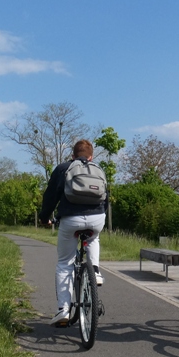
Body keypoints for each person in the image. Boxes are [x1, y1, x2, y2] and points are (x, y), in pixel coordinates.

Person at [39, 139, 107, 326]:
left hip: (70, 220)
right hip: (97, 218)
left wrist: (45, 218)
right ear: (91, 156)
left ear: (73, 155)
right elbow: (105, 197)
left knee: (64, 263)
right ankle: (95, 271)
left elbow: (50, 197)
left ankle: (64, 310)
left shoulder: (63, 168)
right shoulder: (98, 169)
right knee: (93, 239)